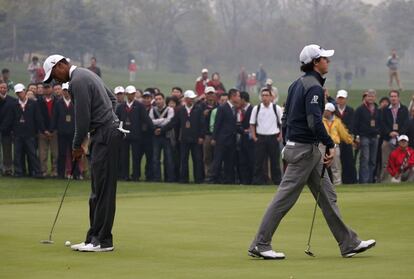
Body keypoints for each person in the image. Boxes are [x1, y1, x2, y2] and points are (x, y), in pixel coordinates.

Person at [248, 44, 375, 260]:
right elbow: (314, 121)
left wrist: (290, 141)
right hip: (305, 151)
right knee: (284, 198)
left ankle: (348, 243)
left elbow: (286, 119)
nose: (328, 61)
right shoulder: (314, 87)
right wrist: (330, 143)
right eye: (325, 58)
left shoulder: (296, 84)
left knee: (327, 196)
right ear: (315, 62)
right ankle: (260, 243)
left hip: (303, 149)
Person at [43, 54, 124, 252]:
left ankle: (103, 241)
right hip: (104, 133)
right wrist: (108, 121)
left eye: (53, 74)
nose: (55, 80)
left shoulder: (77, 81)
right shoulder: (85, 74)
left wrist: (77, 145)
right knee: (97, 189)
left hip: (105, 135)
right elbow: (112, 100)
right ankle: (92, 238)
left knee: (103, 190)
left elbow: (82, 118)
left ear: (61, 65)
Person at [0, 83, 43, 178]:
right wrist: (3, 128)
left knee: (32, 154)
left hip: (30, 133)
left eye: (21, 92)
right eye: (17, 93)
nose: (19, 94)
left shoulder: (33, 104)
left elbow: (38, 118)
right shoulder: (14, 105)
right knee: (17, 154)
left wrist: (42, 129)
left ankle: (37, 172)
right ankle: (18, 172)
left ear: (25, 91)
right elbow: (9, 120)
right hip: (18, 134)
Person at [116, 85, 153, 181]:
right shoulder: (121, 107)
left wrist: (153, 128)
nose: (131, 96)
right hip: (124, 135)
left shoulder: (139, 106)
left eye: (133, 94)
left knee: (136, 157)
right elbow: (117, 120)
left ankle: (136, 175)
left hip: (136, 135)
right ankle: (125, 175)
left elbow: (146, 118)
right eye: (129, 94)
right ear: (126, 94)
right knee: (124, 157)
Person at [249, 88, 282, 185]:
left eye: (267, 95)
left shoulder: (277, 108)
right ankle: (258, 180)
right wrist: (254, 136)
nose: (264, 97)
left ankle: (276, 180)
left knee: (275, 161)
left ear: (271, 97)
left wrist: (280, 136)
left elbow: (282, 124)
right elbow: (252, 124)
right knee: (259, 161)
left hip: (273, 137)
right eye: (263, 95)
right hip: (261, 137)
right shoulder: (257, 108)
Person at [211, 89, 240, 184]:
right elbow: (217, 124)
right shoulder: (223, 108)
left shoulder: (235, 109)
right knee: (218, 160)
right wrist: (214, 138)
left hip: (231, 140)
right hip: (222, 139)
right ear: (233, 96)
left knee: (229, 161)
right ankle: (214, 179)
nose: (239, 98)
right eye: (238, 96)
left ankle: (228, 179)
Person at [51, 82, 80, 179]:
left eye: (67, 90)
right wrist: (53, 129)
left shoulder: (76, 102)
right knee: (62, 154)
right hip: (62, 133)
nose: (66, 92)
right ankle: (60, 174)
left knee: (74, 153)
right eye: (64, 90)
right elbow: (55, 117)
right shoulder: (58, 103)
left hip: (73, 133)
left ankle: (76, 174)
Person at [379, 90, 409, 182]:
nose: (393, 98)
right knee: (385, 163)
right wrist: (389, 133)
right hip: (388, 140)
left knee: (400, 162)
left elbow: (405, 124)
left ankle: (398, 180)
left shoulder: (404, 109)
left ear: (398, 98)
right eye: (391, 96)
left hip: (400, 141)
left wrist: (398, 134)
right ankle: (385, 181)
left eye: (395, 96)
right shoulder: (385, 110)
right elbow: (382, 124)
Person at [176, 90, 205, 183]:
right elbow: (175, 123)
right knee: (183, 159)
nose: (192, 100)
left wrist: (201, 136)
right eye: (190, 98)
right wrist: (162, 129)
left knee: (197, 159)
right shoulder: (180, 110)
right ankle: (184, 179)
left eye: (193, 98)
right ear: (186, 99)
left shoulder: (198, 109)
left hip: (196, 139)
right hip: (184, 139)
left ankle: (198, 179)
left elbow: (202, 123)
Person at [322, 102, 354, 185]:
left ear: (331, 112)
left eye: (327, 110)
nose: (325, 112)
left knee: (335, 167)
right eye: (325, 110)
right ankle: (321, 184)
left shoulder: (337, 121)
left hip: (334, 146)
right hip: (322, 146)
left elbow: (343, 133)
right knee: (321, 166)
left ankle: (337, 183)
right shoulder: (321, 120)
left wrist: (350, 141)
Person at [353, 89, 380, 183]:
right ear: (366, 97)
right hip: (364, 136)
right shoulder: (360, 109)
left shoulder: (377, 109)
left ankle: (370, 180)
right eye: (369, 96)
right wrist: (356, 137)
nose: (370, 98)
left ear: (375, 97)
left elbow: (380, 122)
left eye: (372, 96)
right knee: (365, 159)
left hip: (374, 137)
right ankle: (363, 181)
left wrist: (378, 132)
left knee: (372, 160)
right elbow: (355, 124)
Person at [149, 92, 175, 182]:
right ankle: (157, 178)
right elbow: (150, 121)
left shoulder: (170, 109)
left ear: (163, 100)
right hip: (156, 137)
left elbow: (169, 121)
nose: (158, 101)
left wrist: (160, 128)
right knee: (156, 159)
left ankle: (169, 178)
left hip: (166, 136)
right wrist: (161, 121)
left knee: (168, 159)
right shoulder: (152, 110)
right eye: (156, 99)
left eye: (160, 99)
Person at [335, 90, 357, 184]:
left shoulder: (350, 110)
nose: (341, 100)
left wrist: (347, 134)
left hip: (346, 139)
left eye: (343, 98)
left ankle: (348, 181)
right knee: (336, 162)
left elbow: (352, 125)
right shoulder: (333, 110)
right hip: (336, 140)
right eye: (339, 98)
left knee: (348, 161)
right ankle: (337, 181)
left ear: (346, 99)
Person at [37, 83, 58, 177]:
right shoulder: (38, 101)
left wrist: (52, 129)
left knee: (55, 153)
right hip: (42, 131)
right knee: (43, 154)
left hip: (54, 131)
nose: (46, 90)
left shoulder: (57, 101)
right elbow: (38, 117)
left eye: (48, 87)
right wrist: (44, 130)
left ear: (52, 89)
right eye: (45, 88)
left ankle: (54, 171)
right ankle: (43, 171)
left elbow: (57, 117)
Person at [0, 81, 16, 176]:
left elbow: (13, 116)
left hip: (7, 130)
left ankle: (8, 169)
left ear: (7, 89)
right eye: (1, 87)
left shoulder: (12, 100)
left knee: (7, 150)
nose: (2, 89)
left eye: (4, 88)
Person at [237, 91, 254, 185]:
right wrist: (242, 130)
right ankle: (244, 181)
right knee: (242, 161)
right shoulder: (238, 110)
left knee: (251, 160)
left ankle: (252, 180)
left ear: (243, 99)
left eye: (239, 97)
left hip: (251, 141)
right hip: (242, 140)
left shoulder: (253, 109)